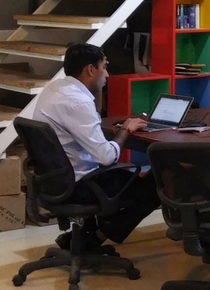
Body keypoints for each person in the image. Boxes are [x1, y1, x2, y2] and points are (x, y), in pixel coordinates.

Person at [32, 43, 160, 251]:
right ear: (90, 69)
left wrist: (97, 88)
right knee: (157, 186)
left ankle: (87, 233)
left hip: (56, 181)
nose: (107, 74)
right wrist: (126, 129)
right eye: (104, 67)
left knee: (128, 180)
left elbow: (93, 117)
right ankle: (97, 237)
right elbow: (107, 158)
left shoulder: (54, 89)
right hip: (81, 186)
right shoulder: (78, 102)